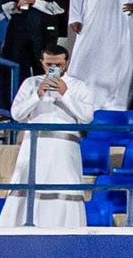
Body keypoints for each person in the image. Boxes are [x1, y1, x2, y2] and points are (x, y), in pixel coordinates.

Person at [6, 44, 98, 228]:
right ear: (42, 63)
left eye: (58, 64)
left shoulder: (79, 86)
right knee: (28, 185)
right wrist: (37, 95)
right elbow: (16, 114)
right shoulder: (31, 83)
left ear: (67, 63)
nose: (53, 68)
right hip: (34, 148)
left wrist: (65, 93)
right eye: (49, 64)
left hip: (64, 149)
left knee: (64, 186)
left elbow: (87, 117)